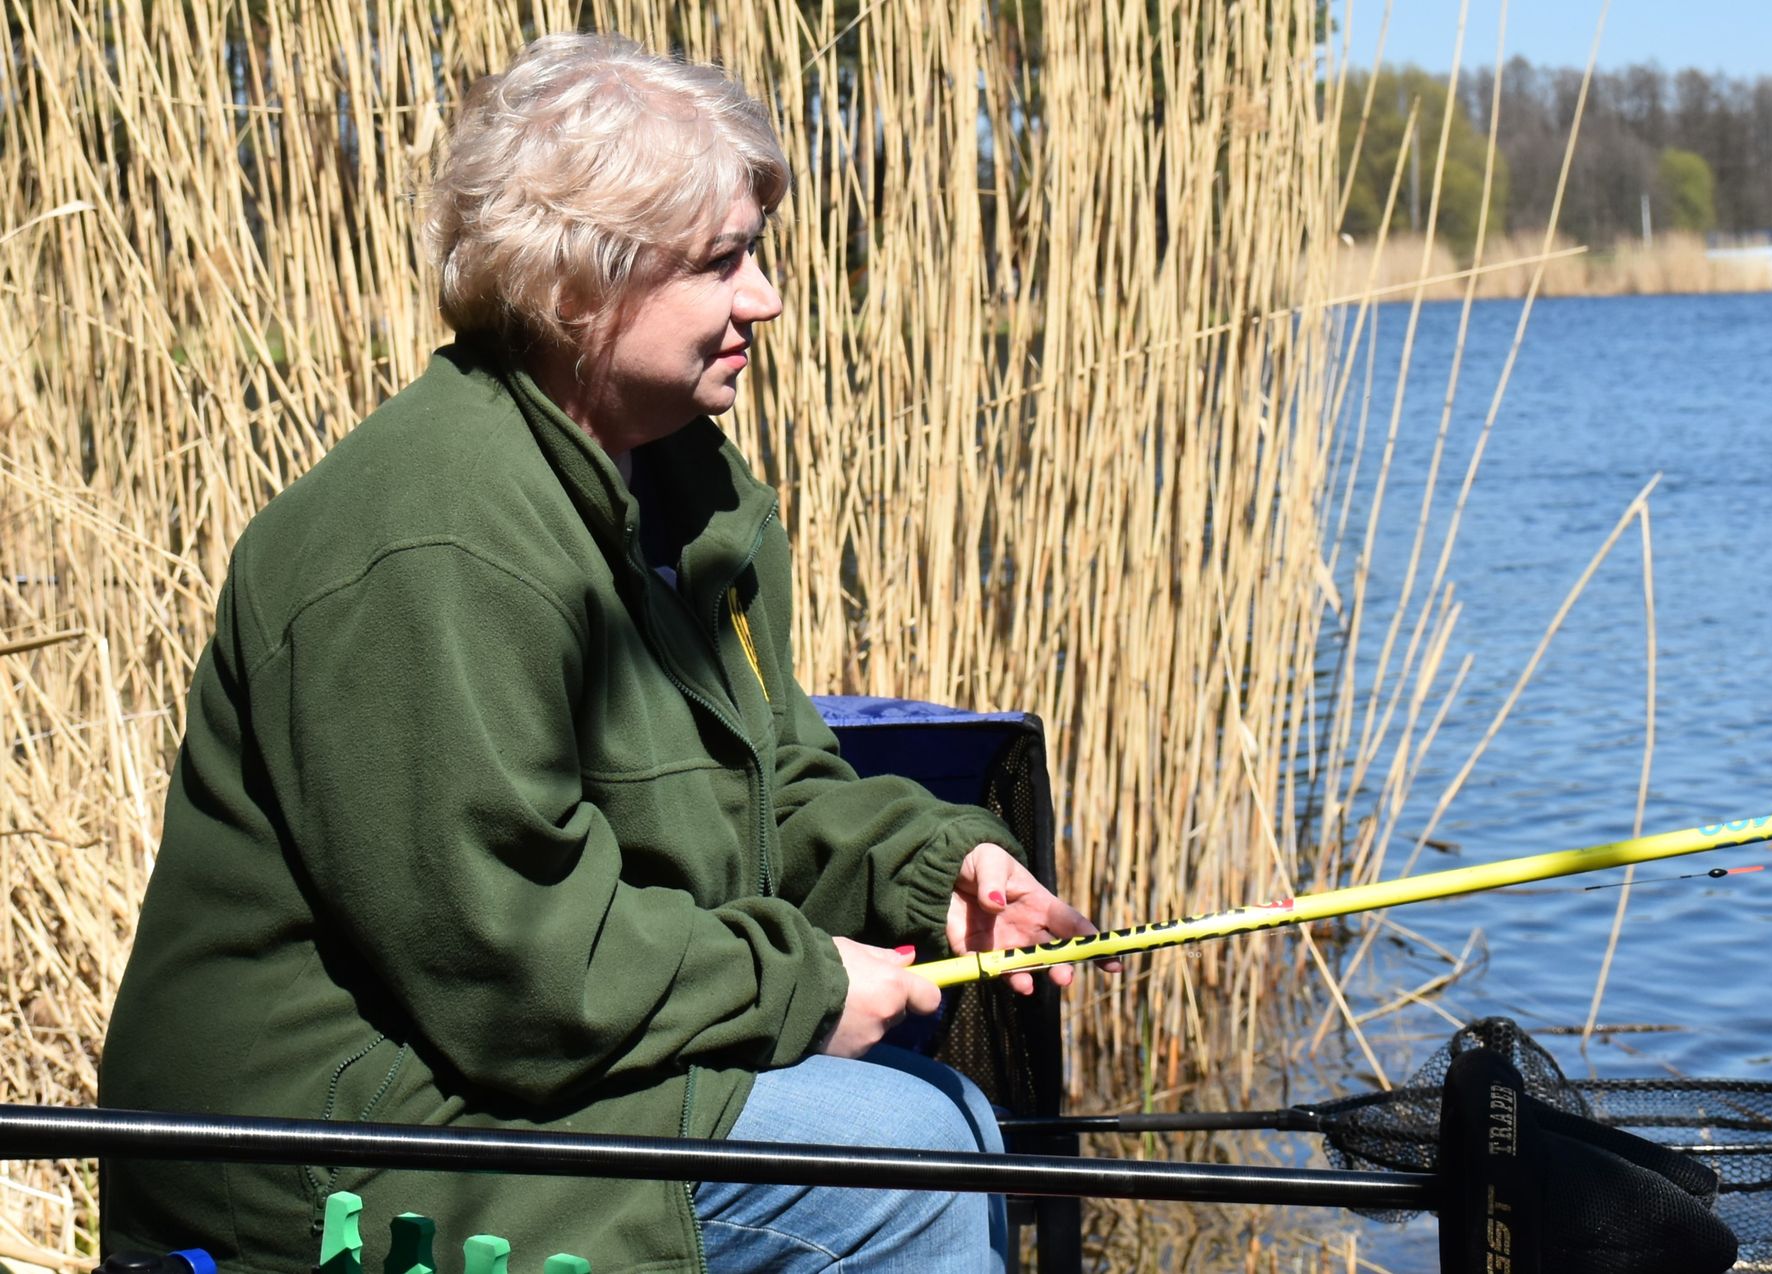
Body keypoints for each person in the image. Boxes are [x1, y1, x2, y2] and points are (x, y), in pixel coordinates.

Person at [99, 32, 1105, 1273]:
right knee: (905, 1159)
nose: (766, 299)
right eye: (723, 261)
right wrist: (800, 983)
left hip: (496, 1067)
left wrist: (935, 875)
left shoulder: (689, 493)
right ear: (579, 283)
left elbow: (774, 790)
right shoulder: (437, 535)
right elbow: (509, 963)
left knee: (947, 1118)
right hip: (327, 1136)